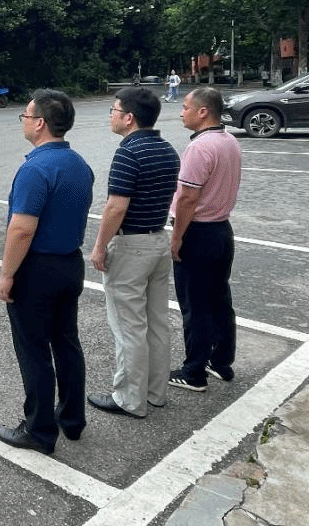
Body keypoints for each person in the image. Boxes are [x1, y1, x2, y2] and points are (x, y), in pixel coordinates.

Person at [0, 89, 93, 454]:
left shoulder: (35, 169)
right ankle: (72, 418)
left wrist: (7, 274)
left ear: (39, 123)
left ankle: (39, 430)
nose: (23, 121)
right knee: (66, 342)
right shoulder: (78, 164)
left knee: (34, 350)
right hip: (70, 263)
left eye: (26, 115)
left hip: (38, 268)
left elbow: (22, 228)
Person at [87, 88, 180, 418]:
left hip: (131, 246)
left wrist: (100, 245)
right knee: (156, 322)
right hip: (158, 240)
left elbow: (116, 206)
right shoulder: (168, 149)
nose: (111, 116)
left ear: (129, 118)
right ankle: (155, 392)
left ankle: (129, 398)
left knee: (129, 327)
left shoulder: (128, 152)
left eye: (114, 110)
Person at [168, 87, 242, 391]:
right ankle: (221, 362)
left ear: (203, 111)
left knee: (195, 304)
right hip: (222, 230)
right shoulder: (229, 140)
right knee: (219, 299)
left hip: (198, 232)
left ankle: (194, 371)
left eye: (185, 107)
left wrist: (176, 238)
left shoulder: (199, 147)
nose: (181, 112)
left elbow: (187, 198)